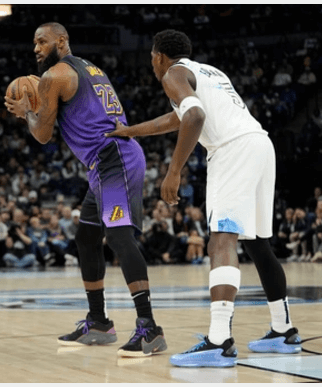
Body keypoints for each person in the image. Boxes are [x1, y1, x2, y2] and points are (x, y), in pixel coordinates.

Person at [106, 29, 301, 367]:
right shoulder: (208, 71)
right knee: (258, 244)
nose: (152, 63)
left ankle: (219, 339)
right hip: (259, 144)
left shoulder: (172, 73)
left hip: (232, 151)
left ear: (159, 56)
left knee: (221, 240)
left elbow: (195, 117)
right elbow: (178, 117)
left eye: (152, 57)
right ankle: (283, 329)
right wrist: (131, 130)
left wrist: (174, 170)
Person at [4, 22, 166, 357]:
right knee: (86, 238)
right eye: (33, 43)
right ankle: (99, 321)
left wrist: (27, 112)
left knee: (119, 238)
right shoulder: (89, 67)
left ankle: (149, 328)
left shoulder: (54, 77)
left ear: (61, 41)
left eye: (41, 41)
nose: (35, 48)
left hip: (114, 159)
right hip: (105, 162)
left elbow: (43, 135)